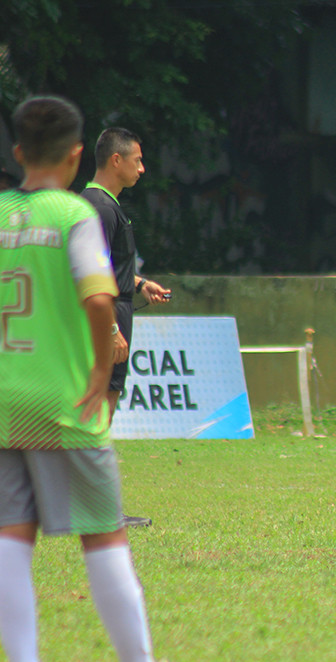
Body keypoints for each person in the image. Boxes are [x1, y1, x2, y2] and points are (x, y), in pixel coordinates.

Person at [0, 95, 157, 662]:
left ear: (18, 153)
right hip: (64, 402)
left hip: (5, 405)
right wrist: (100, 366)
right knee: (103, 535)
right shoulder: (73, 215)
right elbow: (98, 298)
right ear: (73, 156)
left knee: (11, 539)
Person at [81, 127, 170, 528]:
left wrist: (137, 282)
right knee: (100, 412)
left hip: (114, 308)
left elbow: (106, 264)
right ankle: (97, 510)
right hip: (107, 317)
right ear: (115, 160)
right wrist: (111, 330)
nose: (142, 168)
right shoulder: (99, 207)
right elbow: (88, 269)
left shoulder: (104, 205)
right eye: (137, 160)